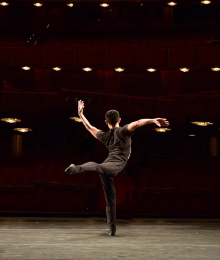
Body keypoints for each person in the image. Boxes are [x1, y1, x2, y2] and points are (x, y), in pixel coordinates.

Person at [65, 100, 169, 236]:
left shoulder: (105, 136)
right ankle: (78, 168)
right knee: (99, 167)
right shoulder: (123, 130)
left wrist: (80, 114)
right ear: (119, 120)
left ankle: (112, 229)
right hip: (115, 165)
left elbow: (89, 127)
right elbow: (137, 123)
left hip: (108, 167)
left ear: (106, 122)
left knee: (110, 199)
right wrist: (153, 120)